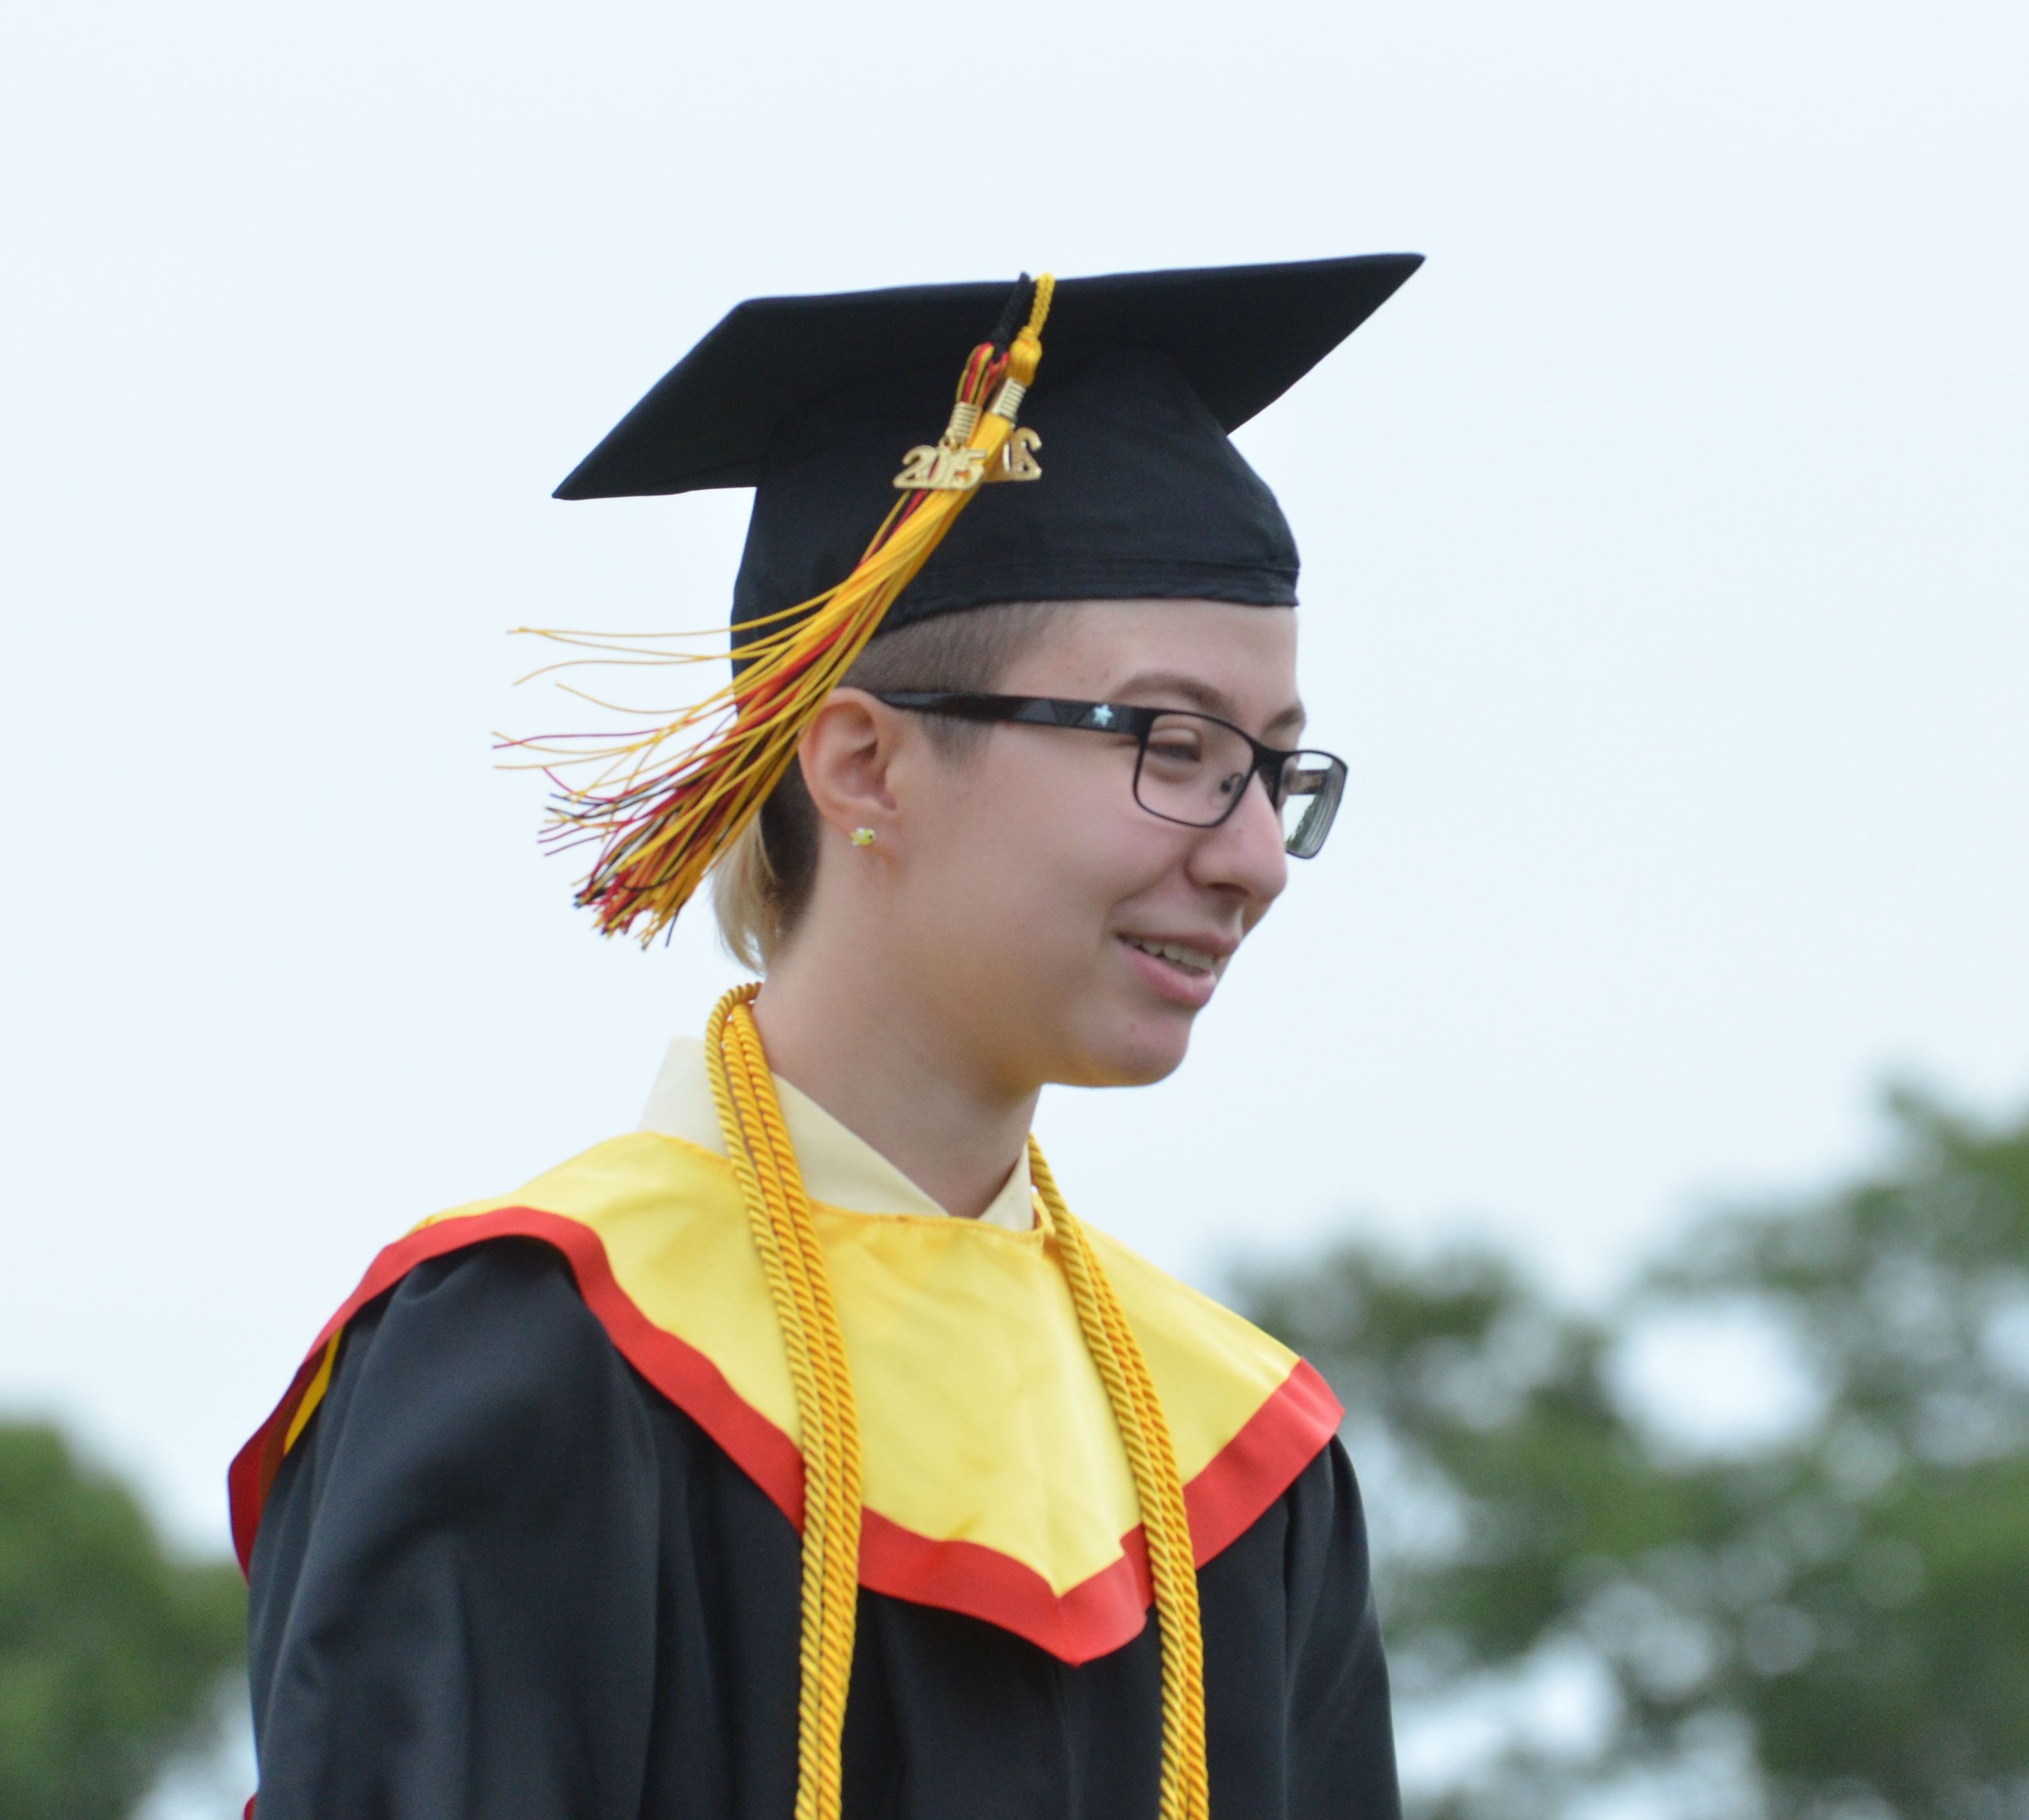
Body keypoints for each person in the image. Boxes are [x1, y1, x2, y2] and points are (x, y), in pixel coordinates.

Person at [232, 254, 1421, 1819]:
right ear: (863, 764)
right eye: (1176, 746)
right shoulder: (537, 1360)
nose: (1255, 855)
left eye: (1276, 771)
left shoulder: (1240, 1459)